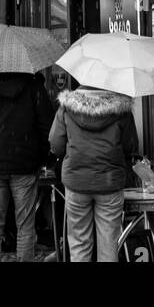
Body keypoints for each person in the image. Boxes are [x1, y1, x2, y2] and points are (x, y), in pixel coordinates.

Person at [0, 70, 54, 263]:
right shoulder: (34, 89)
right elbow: (47, 129)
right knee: (25, 226)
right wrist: (39, 158)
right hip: (25, 165)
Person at [48, 85, 139, 263]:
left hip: (76, 182)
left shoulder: (67, 107)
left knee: (79, 244)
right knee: (108, 245)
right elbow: (131, 146)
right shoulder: (122, 110)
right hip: (110, 182)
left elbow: (56, 145)